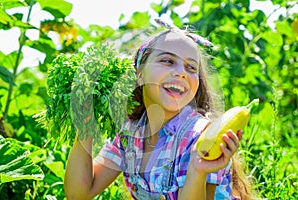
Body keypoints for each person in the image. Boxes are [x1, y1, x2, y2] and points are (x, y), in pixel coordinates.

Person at [64, 19, 253, 200]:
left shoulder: (202, 137)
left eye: (191, 67)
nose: (181, 72)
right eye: (168, 61)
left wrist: (197, 169)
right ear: (140, 75)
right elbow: (78, 194)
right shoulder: (130, 133)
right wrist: (85, 126)